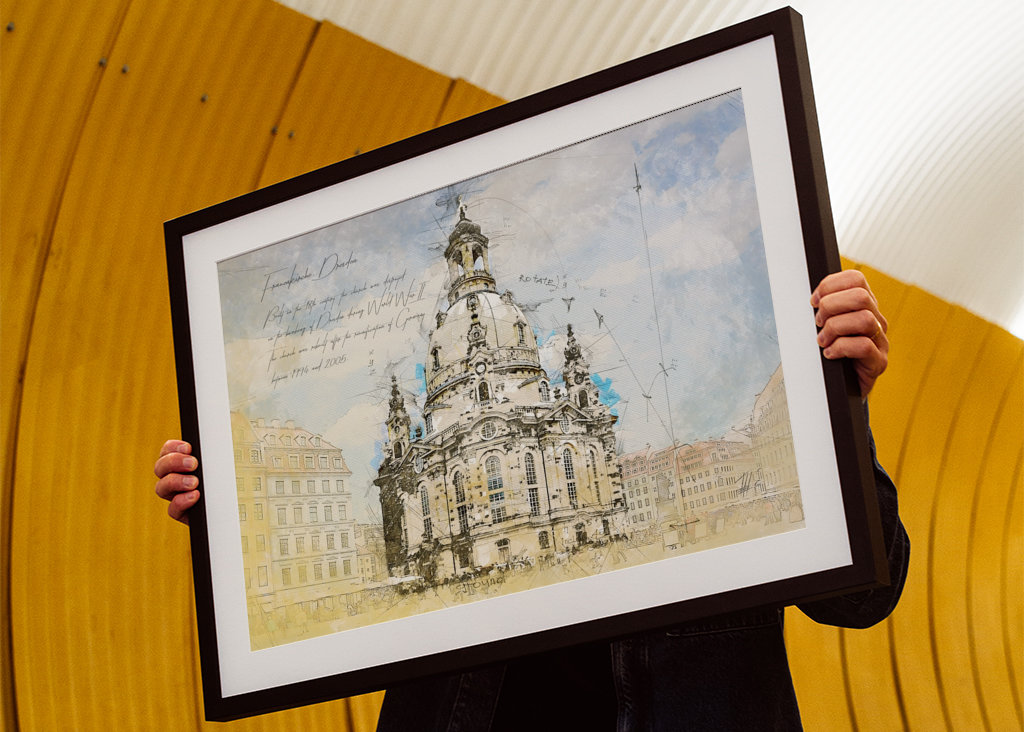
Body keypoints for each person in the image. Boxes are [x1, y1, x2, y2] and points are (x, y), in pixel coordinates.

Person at [155, 270, 909, 731]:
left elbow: (865, 597)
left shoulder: (793, 385)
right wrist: (236, 512)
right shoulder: (448, 429)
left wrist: (839, 407)